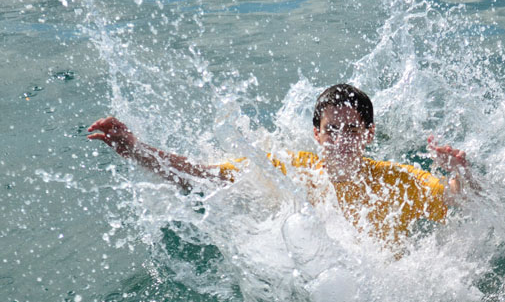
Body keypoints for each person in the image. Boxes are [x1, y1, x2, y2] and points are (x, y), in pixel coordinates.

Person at [88, 84, 478, 242]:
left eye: (352, 129)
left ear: (370, 134)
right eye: (333, 129)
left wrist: (460, 173)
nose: (342, 139)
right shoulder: (291, 169)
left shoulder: (398, 181)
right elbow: (203, 175)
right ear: (316, 133)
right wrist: (137, 149)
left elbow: (456, 202)